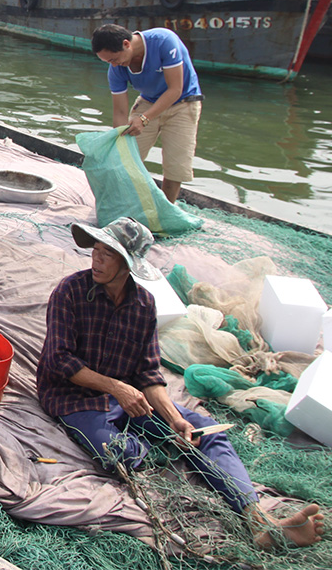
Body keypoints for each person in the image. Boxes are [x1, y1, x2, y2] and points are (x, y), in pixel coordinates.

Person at [37, 216, 324, 549]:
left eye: (108, 253)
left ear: (128, 264)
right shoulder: (69, 291)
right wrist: (116, 387)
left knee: (202, 431)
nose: (96, 259)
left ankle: (257, 519)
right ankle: (152, 447)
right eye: (95, 251)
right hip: (75, 397)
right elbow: (60, 361)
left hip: (130, 398)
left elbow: (147, 374)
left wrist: (175, 419)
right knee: (117, 452)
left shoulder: (143, 305)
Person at [91, 24, 203, 204]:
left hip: (183, 102)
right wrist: (118, 143)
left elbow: (175, 89)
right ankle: (121, 204)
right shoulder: (116, 69)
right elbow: (119, 112)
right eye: (108, 62)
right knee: (126, 159)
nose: (114, 65)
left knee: (175, 166)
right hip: (148, 101)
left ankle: (166, 209)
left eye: (114, 59)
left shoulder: (164, 41)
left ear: (126, 44)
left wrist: (144, 119)